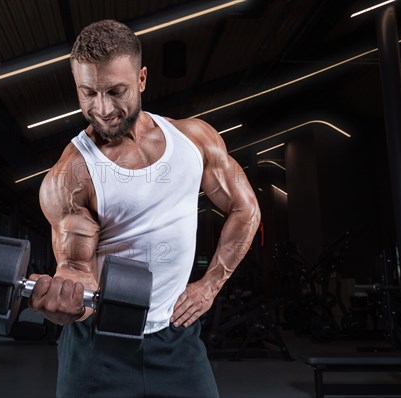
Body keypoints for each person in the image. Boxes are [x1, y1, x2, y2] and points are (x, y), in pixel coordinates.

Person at [30, 19, 260, 398]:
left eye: (115, 91)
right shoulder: (72, 174)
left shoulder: (194, 140)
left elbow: (245, 209)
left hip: (177, 342)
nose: (102, 109)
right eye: (87, 93)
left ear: (141, 79)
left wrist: (210, 286)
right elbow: (77, 271)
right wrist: (66, 306)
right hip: (96, 347)